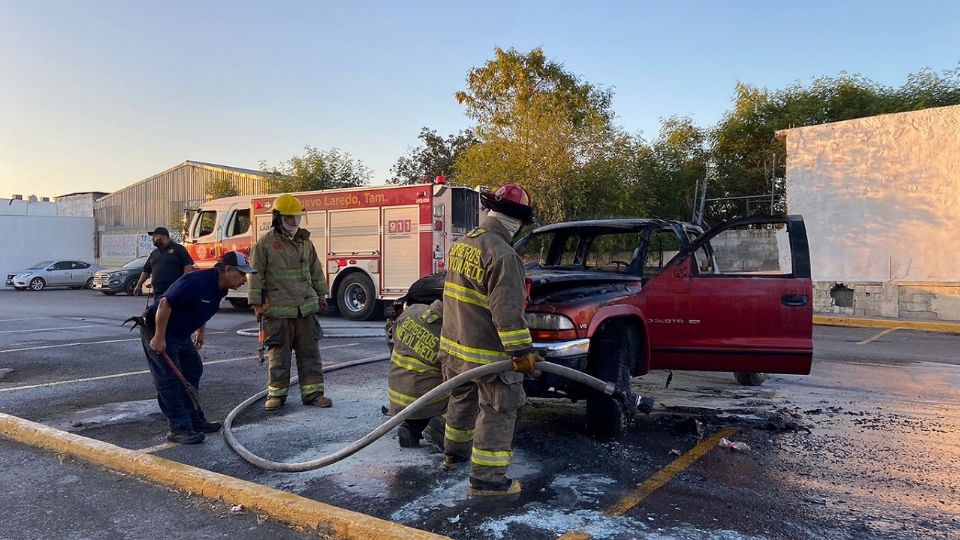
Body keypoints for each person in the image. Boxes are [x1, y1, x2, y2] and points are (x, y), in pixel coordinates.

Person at [439, 183, 539, 497]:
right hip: (486, 354)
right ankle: (487, 478)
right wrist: (521, 351)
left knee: (462, 400)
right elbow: (507, 313)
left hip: (455, 345)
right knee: (500, 406)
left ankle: (454, 454)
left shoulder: (465, 243)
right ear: (519, 221)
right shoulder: (504, 254)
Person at [141, 251, 252, 444]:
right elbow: (165, 303)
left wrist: (200, 332)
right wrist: (159, 337)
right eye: (242, 274)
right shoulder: (198, 281)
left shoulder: (220, 288)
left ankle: (193, 419)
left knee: (193, 369)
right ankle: (178, 429)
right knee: (169, 379)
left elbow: (201, 309)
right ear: (227, 270)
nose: (244, 279)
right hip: (160, 329)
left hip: (181, 333)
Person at [248, 193, 331, 412]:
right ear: (277, 218)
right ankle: (276, 395)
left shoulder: (306, 242)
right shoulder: (265, 245)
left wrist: (321, 296)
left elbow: (316, 270)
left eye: (297, 218)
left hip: (305, 308)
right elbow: (256, 275)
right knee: (279, 356)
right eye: (289, 218)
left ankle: (313, 394)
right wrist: (257, 304)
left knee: (310, 354)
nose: (294, 223)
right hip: (278, 310)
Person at [387, 287, 447, 449]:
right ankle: (437, 427)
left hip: (396, 395)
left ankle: (410, 427)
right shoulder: (448, 333)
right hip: (425, 399)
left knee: (423, 383)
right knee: (467, 388)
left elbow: (392, 341)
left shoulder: (411, 312)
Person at [134, 227, 194, 298]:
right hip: (157, 292)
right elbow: (146, 270)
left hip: (174, 290)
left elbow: (188, 265)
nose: (152, 238)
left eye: (155, 236)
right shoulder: (154, 253)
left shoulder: (178, 249)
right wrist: (138, 285)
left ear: (164, 236)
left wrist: (184, 282)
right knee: (158, 308)